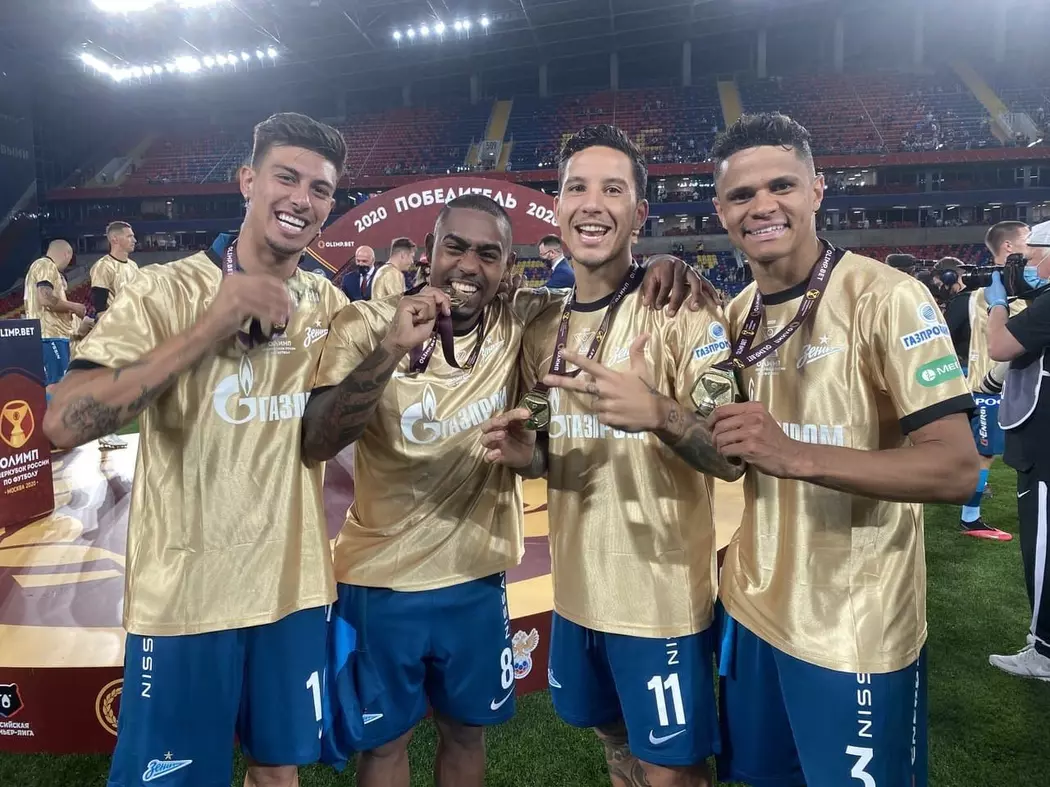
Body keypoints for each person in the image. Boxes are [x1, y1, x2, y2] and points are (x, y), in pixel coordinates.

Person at [302, 193, 709, 787]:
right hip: (380, 580)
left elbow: (602, 294)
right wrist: (391, 347)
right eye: (456, 248)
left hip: (477, 575)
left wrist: (665, 264)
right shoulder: (364, 322)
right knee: (384, 746)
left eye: (488, 254)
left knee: (467, 734)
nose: (469, 266)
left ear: (507, 266)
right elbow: (319, 440)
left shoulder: (521, 318)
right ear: (430, 250)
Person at [42, 112, 350, 787]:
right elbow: (62, 421)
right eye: (286, 177)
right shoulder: (164, 289)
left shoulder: (326, 300)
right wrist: (211, 325)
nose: (302, 199)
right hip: (186, 594)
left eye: (320, 189)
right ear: (247, 181)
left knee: (279, 773)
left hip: (292, 586)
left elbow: (327, 433)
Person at [708, 113, 978, 787]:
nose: (762, 205)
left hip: (855, 623)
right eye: (741, 195)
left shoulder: (889, 297)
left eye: (781, 186)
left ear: (817, 190)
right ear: (720, 211)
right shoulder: (735, 315)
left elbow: (957, 467)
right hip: (751, 609)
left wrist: (795, 454)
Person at [482, 125, 743, 787]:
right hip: (577, 593)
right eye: (577, 187)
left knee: (673, 771)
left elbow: (732, 456)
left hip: (660, 600)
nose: (592, 203)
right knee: (616, 747)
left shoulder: (682, 311)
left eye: (613, 189)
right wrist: (528, 456)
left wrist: (659, 412)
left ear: (640, 212)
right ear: (557, 206)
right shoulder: (542, 321)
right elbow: (548, 442)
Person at [985, 218, 1050, 681]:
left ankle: (1044, 650)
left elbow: (1000, 345)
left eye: (1034, 256)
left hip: (1044, 442)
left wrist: (999, 304)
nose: (1030, 264)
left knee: (1043, 544)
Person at [78, 220, 141, 450]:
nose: (134, 239)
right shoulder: (103, 266)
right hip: (113, 332)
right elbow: (99, 305)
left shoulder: (133, 267)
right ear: (115, 239)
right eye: (129, 236)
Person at [22, 239, 85, 390]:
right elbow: (45, 298)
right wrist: (74, 307)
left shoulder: (41, 267)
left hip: (51, 335)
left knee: (57, 383)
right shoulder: (46, 265)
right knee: (56, 384)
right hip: (50, 334)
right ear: (67, 254)